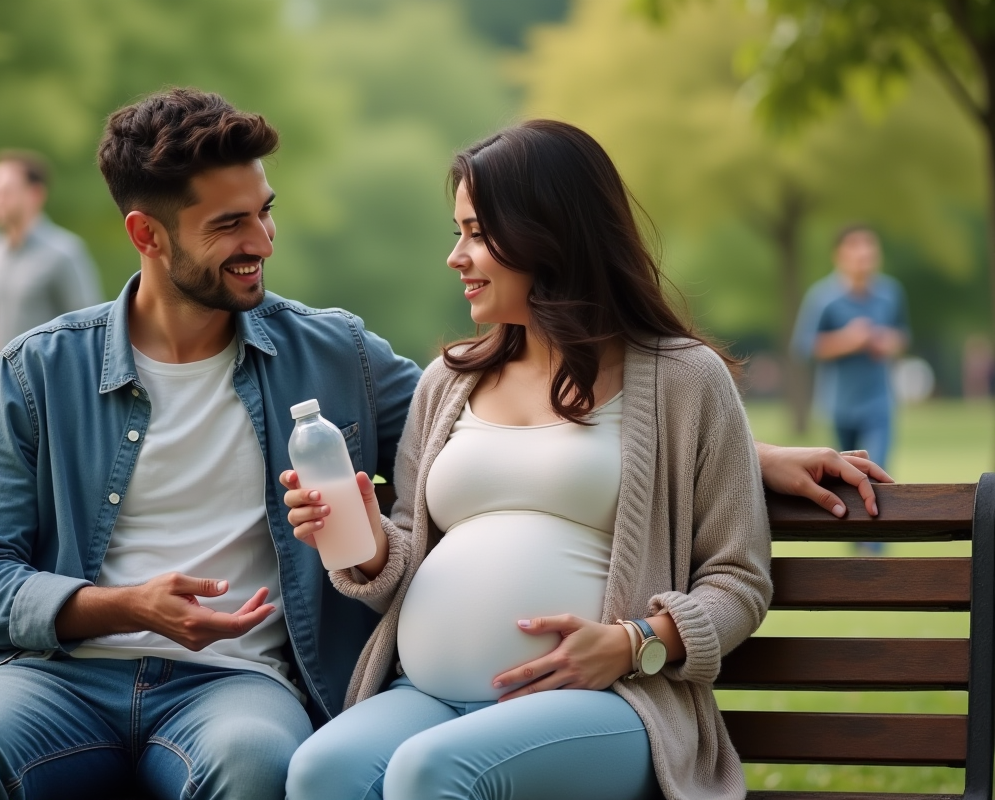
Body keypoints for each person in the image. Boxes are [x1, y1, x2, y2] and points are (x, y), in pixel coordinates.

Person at [0, 90, 887, 800]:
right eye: (231, 224)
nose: (263, 241)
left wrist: (750, 460)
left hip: (239, 687)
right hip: (61, 678)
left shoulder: (331, 353)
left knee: (275, 765)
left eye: (267, 211)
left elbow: (581, 431)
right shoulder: (40, 371)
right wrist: (125, 604)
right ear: (148, 236)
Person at [279, 120, 834, 800]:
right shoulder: (447, 382)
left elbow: (737, 581)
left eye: (478, 233)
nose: (456, 256)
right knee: (318, 771)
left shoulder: (684, 380)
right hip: (425, 693)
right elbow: (405, 565)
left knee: (431, 774)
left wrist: (635, 642)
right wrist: (364, 545)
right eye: (457, 232)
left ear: (551, 235)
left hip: (611, 702)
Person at [0, 150, 103, 380]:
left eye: (4, 192)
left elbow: (88, 331)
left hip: (48, 394)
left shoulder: (65, 254)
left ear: (35, 194)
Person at [792, 225, 909, 472]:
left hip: (879, 402)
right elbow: (804, 347)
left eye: (869, 247)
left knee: (878, 472)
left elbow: (902, 338)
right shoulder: (823, 298)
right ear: (839, 255)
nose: (863, 254)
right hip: (839, 405)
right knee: (847, 474)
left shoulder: (891, 293)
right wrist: (848, 340)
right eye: (855, 247)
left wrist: (887, 342)